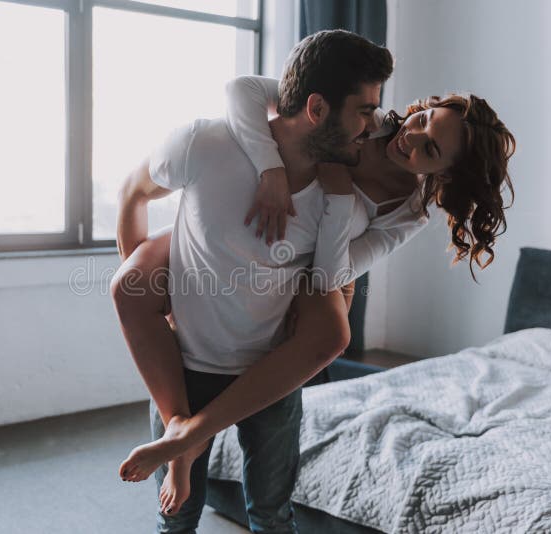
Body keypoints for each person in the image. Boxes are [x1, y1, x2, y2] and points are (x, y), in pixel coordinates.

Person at [113, 29, 394, 533]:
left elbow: (337, 285)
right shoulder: (205, 142)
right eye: (365, 110)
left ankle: (185, 440)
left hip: (271, 377)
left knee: (271, 517)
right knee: (175, 521)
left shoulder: (340, 201)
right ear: (316, 108)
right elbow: (133, 193)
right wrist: (153, 294)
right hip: (184, 373)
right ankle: (182, 437)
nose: (372, 126)